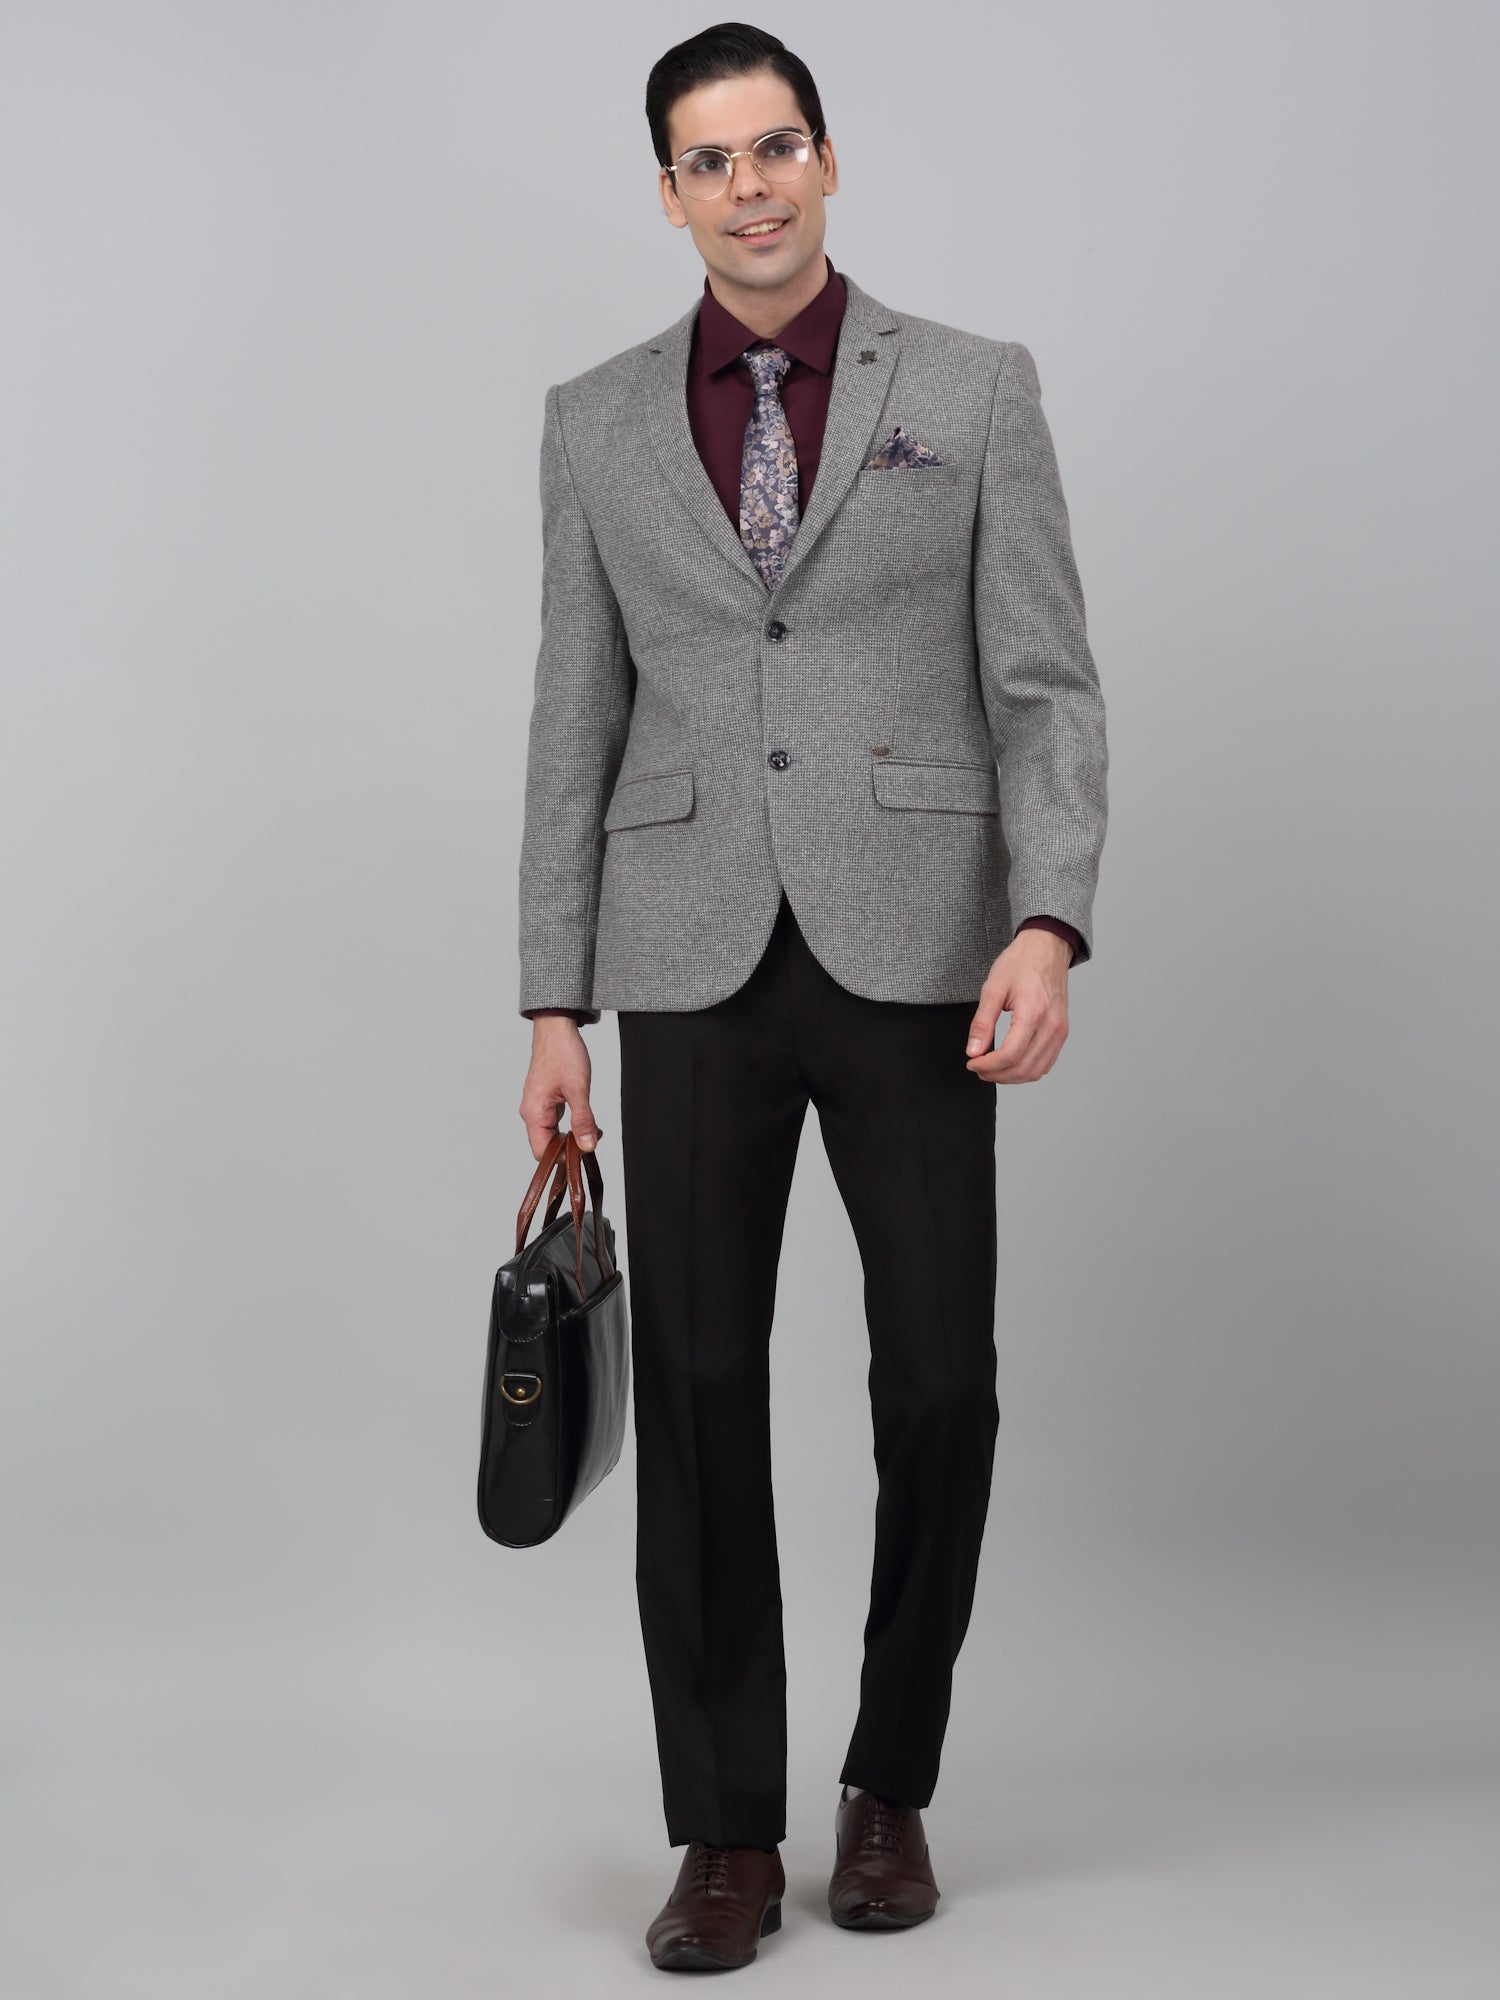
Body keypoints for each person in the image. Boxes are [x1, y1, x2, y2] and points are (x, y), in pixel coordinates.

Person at [515, 20, 1109, 1973]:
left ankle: (890, 1782)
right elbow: (573, 722)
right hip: (684, 955)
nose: (750, 185)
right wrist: (551, 1003)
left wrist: (1049, 920)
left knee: (939, 1380)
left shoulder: (974, 387)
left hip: (922, 945)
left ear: (828, 162)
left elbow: (1044, 684)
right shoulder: (595, 420)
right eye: (711, 159)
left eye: (778, 146)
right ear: (668, 193)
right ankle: (724, 1831)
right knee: (696, 1391)